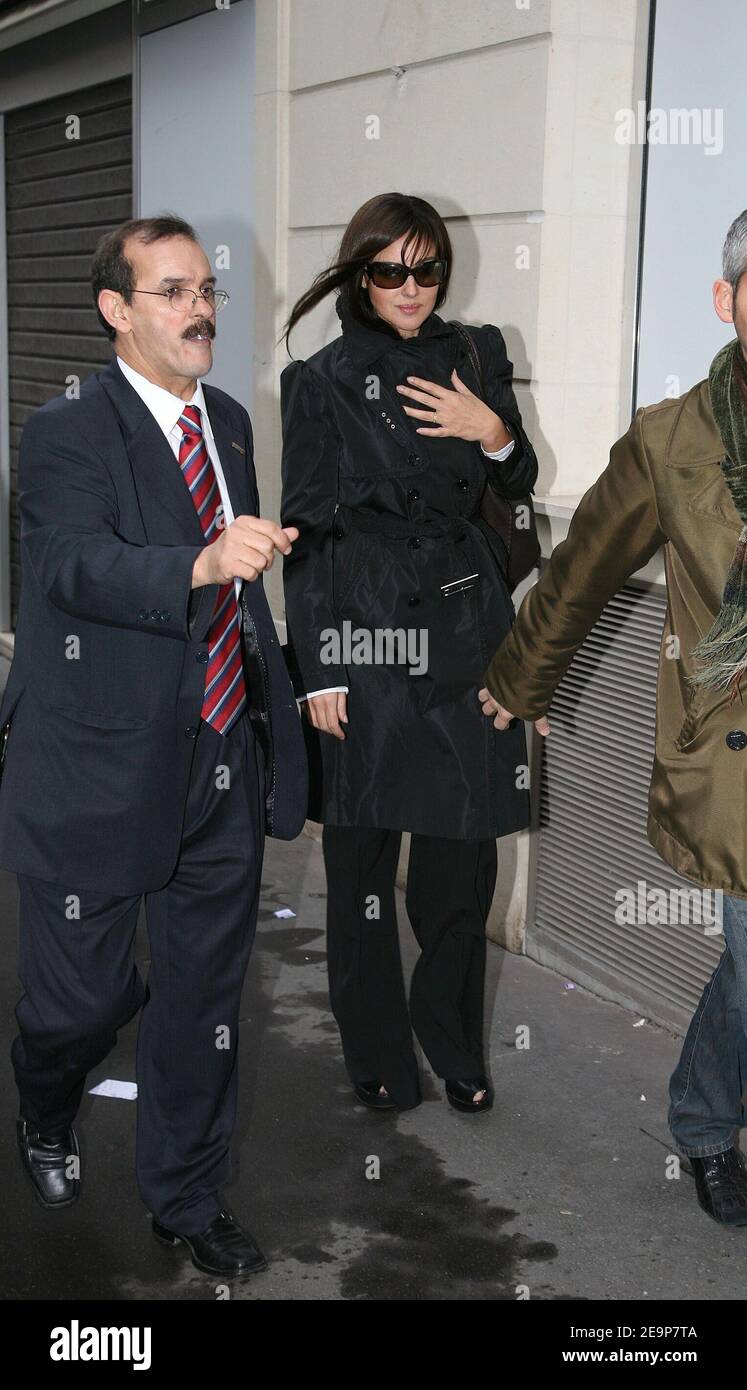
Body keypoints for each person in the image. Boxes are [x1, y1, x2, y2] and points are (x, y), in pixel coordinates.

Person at [0, 214, 308, 1277]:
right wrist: (198, 561)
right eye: (171, 290)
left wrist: (292, 687)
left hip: (219, 749)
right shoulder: (66, 430)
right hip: (97, 765)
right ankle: (45, 1100)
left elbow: (244, 575)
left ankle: (184, 1199)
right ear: (116, 310)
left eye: (206, 287)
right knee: (81, 1000)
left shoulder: (226, 420)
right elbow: (73, 567)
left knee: (201, 999)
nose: (201, 308)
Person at [480, 207, 747, 1228]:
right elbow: (583, 563)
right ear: (727, 301)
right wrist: (519, 678)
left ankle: (701, 1109)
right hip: (734, 754)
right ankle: (710, 1123)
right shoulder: (673, 439)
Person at [280, 192, 538, 1113]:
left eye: (426, 269)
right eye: (389, 270)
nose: (411, 288)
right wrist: (320, 670)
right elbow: (305, 530)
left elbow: (517, 480)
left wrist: (493, 432)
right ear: (358, 272)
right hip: (364, 625)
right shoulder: (318, 382)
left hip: (465, 626)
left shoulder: (477, 355)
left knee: (458, 859)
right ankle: (378, 1051)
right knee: (359, 862)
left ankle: (454, 1044)